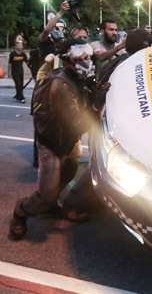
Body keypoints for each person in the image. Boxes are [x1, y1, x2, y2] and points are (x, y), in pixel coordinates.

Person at [10, 29, 96, 238]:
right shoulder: (61, 86)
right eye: (80, 58)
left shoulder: (77, 76)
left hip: (68, 140)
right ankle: (20, 213)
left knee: (67, 175)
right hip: (51, 143)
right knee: (47, 193)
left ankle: (51, 206)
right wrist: (98, 112)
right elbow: (79, 122)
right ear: (66, 61)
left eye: (88, 57)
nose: (86, 62)